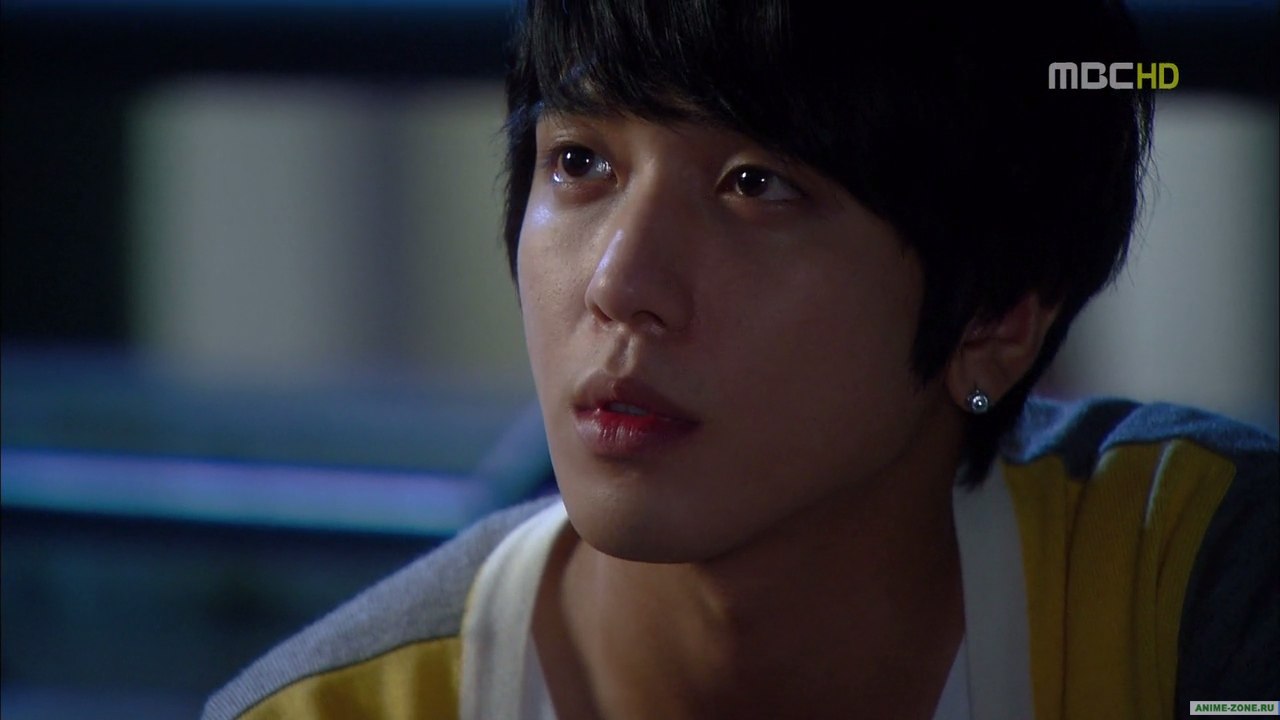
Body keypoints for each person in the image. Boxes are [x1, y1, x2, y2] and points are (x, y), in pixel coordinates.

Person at [203, 1, 1279, 718]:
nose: (619, 283)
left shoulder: (1192, 595)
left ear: (994, 318)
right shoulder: (327, 710)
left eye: (757, 185)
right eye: (578, 162)